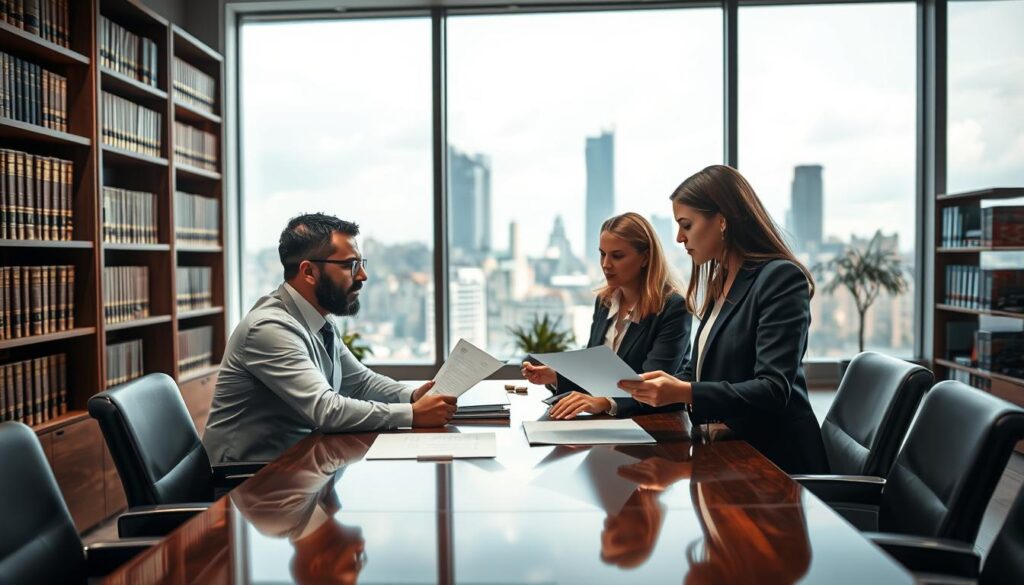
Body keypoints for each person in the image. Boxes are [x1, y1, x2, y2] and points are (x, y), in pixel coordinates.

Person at [618, 165, 829, 474]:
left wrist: (684, 391)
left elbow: (773, 390)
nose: (678, 237)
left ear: (722, 222)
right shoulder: (724, 278)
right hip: (730, 455)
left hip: (775, 468)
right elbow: (704, 368)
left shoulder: (780, 278)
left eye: (686, 225)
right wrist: (664, 385)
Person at [203, 213, 456, 464]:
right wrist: (411, 414)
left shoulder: (319, 319)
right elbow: (327, 410)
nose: (362, 276)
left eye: (361, 263)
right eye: (350, 265)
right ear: (309, 271)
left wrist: (411, 396)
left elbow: (360, 383)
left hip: (295, 465)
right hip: (244, 483)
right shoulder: (269, 328)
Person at [520, 212, 692, 419]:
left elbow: (652, 386)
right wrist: (554, 377)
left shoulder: (673, 307)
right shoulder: (605, 302)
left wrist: (604, 402)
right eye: (602, 254)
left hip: (655, 426)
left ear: (645, 257)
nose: (605, 264)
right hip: (606, 423)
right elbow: (596, 374)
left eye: (617, 256)